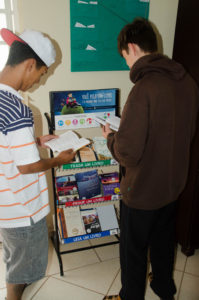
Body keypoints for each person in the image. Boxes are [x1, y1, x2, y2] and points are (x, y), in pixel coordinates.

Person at [102, 18, 199, 300]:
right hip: (172, 186)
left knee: (133, 250)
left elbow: (129, 152)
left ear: (131, 47)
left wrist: (111, 138)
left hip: (142, 191)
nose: (127, 64)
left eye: (125, 57)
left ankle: (130, 296)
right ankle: (164, 288)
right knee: (163, 242)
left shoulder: (143, 89)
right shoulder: (188, 83)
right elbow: (184, 133)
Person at [0, 28, 76, 300]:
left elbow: (6, 144)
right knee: (21, 268)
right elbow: (26, 167)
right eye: (41, 74)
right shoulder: (17, 108)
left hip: (4, 203)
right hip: (22, 207)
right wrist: (58, 159)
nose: (38, 82)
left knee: (13, 257)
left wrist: (37, 141)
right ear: (30, 64)